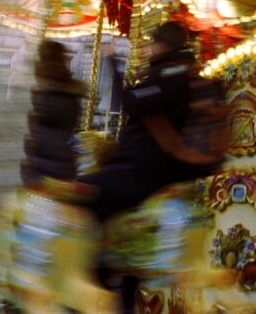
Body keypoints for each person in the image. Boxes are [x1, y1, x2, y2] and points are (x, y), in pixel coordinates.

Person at [82, 21, 222, 222]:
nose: (148, 49)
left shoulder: (167, 74)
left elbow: (132, 103)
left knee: (85, 194)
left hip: (145, 170)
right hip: (170, 168)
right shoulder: (188, 72)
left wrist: (112, 63)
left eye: (152, 43)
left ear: (163, 45)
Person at [21, 40, 86, 186]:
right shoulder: (72, 91)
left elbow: (31, 126)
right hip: (66, 161)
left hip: (40, 164)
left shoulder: (40, 91)